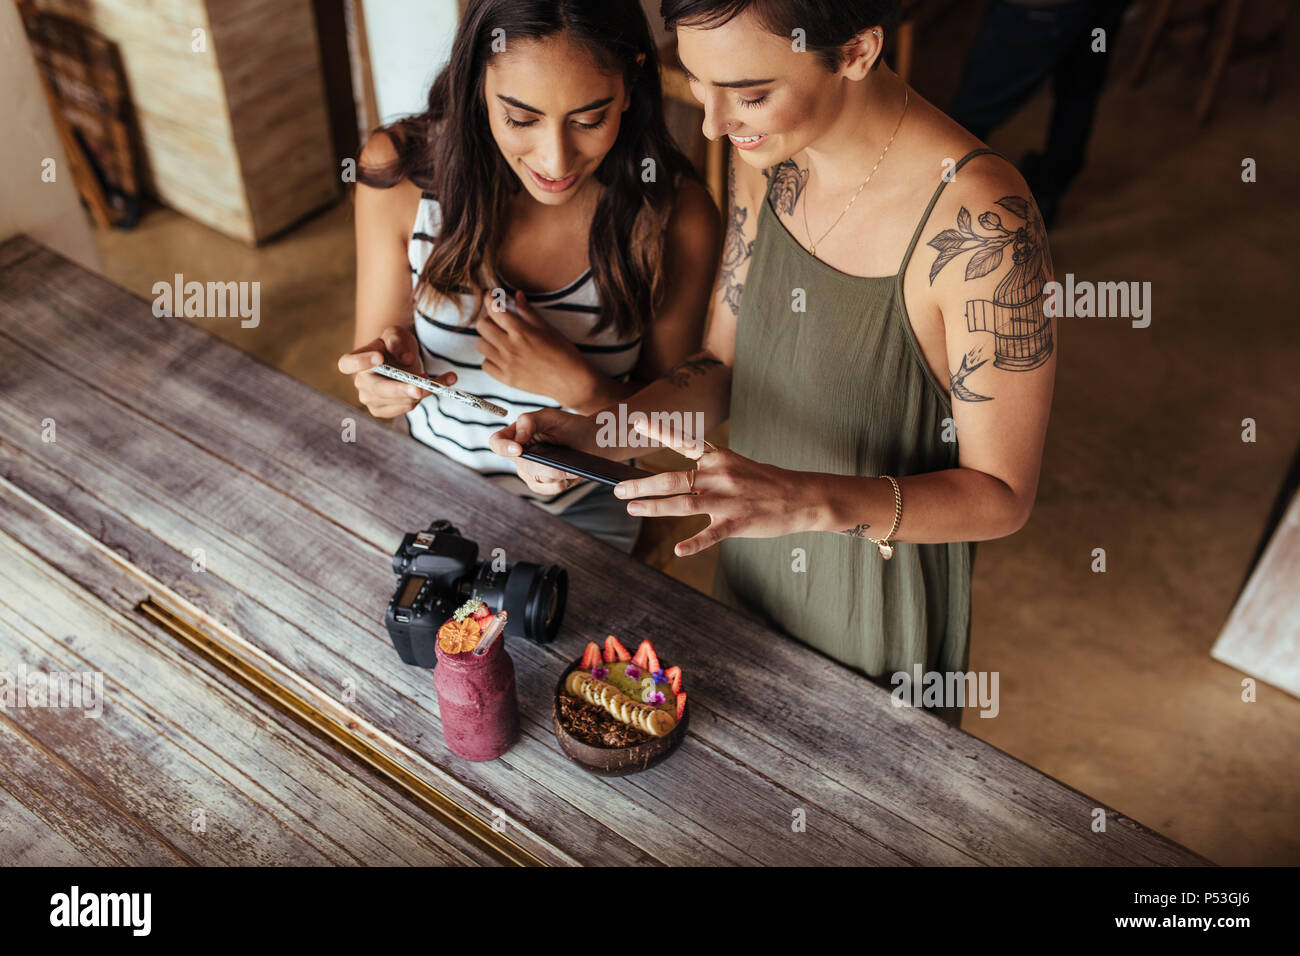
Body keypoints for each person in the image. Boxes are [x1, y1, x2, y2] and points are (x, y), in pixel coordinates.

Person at [491, 0, 1058, 727]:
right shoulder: (767, 154)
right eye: (699, 83)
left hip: (876, 607)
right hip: (754, 558)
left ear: (856, 50)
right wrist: (596, 431)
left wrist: (804, 501)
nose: (713, 125)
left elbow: (1001, 495)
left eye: (750, 92)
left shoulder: (983, 227)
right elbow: (724, 364)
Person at [338, 0, 720, 553]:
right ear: (477, 83)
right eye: (520, 118)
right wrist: (386, 378)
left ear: (632, 84)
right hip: (426, 492)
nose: (556, 159)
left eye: (590, 120)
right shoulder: (400, 175)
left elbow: (675, 428)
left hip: (585, 518)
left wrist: (582, 388)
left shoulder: (673, 216)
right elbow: (374, 368)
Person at [948, 0, 1133, 228]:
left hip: (1041, 9)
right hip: (1103, 12)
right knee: (1080, 91)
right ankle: (1049, 189)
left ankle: (940, 198)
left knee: (971, 111)